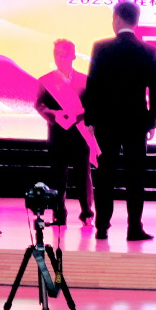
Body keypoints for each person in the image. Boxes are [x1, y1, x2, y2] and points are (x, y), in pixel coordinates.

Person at [83, 1, 156, 241]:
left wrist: (90, 119)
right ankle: (134, 228)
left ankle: (102, 227)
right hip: (136, 122)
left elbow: (92, 84)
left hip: (106, 122)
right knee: (135, 177)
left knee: (105, 175)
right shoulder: (148, 50)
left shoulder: (101, 47)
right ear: (136, 21)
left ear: (117, 18)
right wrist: (152, 121)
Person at [35, 39, 99, 226]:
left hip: (79, 133)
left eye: (64, 55)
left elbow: (93, 106)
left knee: (83, 176)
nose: (59, 59)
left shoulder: (85, 80)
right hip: (57, 133)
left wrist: (80, 115)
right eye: (57, 55)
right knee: (58, 176)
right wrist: (54, 114)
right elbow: (39, 105)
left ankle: (87, 213)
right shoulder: (46, 81)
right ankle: (58, 213)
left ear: (73, 56)